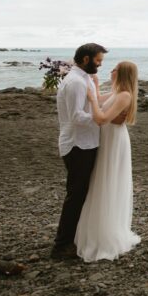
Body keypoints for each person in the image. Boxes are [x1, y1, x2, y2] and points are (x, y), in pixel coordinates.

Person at [75, 60, 141, 262]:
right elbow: (99, 99)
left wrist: (92, 100)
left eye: (115, 69)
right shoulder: (116, 92)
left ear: (121, 74)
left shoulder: (124, 95)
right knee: (101, 179)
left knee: (108, 180)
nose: (111, 70)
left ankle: (106, 234)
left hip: (114, 141)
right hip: (108, 138)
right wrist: (92, 85)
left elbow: (102, 117)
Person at [51, 42, 107, 260]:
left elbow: (92, 104)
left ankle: (74, 239)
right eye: (98, 60)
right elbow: (76, 117)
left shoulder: (84, 78)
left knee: (81, 193)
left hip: (86, 143)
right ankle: (61, 246)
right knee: (75, 195)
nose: (100, 65)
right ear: (86, 59)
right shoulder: (75, 82)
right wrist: (102, 119)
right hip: (77, 145)